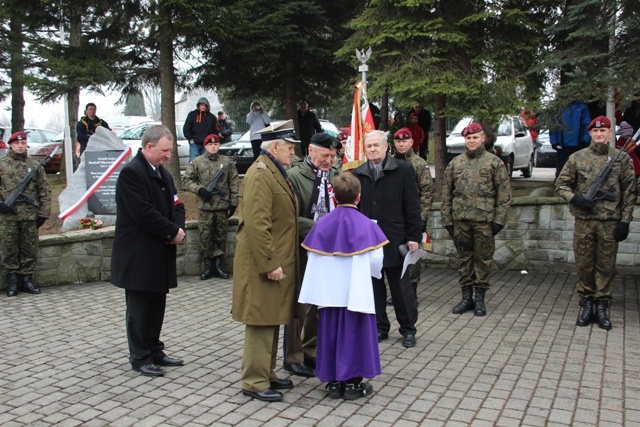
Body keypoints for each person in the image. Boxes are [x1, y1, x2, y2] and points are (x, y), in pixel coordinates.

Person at [298, 173, 387, 401]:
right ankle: (353, 385)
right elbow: (377, 262)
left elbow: (314, 259)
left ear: (334, 197)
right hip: (356, 292)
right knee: (355, 335)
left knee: (329, 334)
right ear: (359, 197)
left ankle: (334, 382)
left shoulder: (321, 225)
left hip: (329, 294)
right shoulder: (367, 225)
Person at [231, 120, 300, 403]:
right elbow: (257, 225)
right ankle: (254, 381)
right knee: (260, 320)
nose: (293, 153)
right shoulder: (260, 174)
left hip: (272, 259)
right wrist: (270, 263)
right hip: (263, 262)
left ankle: (267, 373)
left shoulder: (272, 170)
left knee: (271, 316)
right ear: (274, 146)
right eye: (290, 147)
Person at [111, 125, 186, 377]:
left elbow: (177, 204)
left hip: (159, 253)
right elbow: (143, 213)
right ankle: (140, 356)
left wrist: (178, 228)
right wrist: (170, 232)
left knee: (157, 306)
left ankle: (154, 349)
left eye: (170, 151)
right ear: (149, 146)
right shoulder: (132, 174)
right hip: (139, 255)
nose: (168, 156)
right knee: (140, 309)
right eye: (164, 151)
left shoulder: (163, 174)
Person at [555, 116, 637, 330]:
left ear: (610, 133)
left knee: (606, 265)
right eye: (595, 131)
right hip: (585, 221)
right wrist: (575, 199)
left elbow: (630, 193)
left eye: (604, 131)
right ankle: (587, 304)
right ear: (590, 133)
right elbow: (561, 185)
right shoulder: (577, 158)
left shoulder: (621, 159)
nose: (599, 135)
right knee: (584, 264)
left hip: (610, 222)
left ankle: (602, 306)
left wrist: (625, 222)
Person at [352, 130, 422, 348]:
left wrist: (414, 235)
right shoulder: (358, 173)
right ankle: (380, 327)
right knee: (374, 288)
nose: (372, 149)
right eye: (369, 146)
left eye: (376, 145)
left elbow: (412, 205)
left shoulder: (403, 170)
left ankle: (408, 329)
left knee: (401, 289)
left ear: (386, 147)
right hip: (368, 241)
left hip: (396, 238)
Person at [283, 132, 342, 378]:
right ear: (310, 150)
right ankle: (292, 356)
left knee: (319, 303)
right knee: (299, 303)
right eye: (324, 155)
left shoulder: (336, 176)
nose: (329, 160)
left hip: (329, 249)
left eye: (332, 155)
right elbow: (288, 217)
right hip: (302, 247)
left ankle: (311, 351)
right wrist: (320, 227)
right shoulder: (295, 177)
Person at [441, 122, 512, 317]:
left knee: (483, 260)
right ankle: (466, 298)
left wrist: (499, 220)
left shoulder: (494, 163)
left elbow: (504, 195)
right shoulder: (455, 164)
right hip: (461, 221)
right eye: (468, 138)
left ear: (483, 139)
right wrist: (447, 220)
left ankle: (479, 299)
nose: (471, 141)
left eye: (475, 137)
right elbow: (446, 194)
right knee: (464, 260)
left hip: (484, 221)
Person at [0, 131, 51, 297]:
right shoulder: (2, 164)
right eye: (17, 143)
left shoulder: (34, 166)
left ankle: (27, 279)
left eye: (23, 143)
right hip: (8, 216)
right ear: (11, 144)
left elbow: (44, 190)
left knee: (29, 248)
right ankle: (13, 281)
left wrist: (43, 213)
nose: (20, 146)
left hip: (29, 215)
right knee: (9, 248)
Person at [183, 133, 240, 281]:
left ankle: (219, 266)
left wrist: (234, 202)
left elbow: (234, 183)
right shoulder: (197, 162)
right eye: (210, 144)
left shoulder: (227, 162)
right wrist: (200, 190)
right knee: (205, 237)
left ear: (219, 145)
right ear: (206, 146)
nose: (213, 147)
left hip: (222, 206)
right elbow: (186, 181)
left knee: (221, 236)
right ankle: (208, 266)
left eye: (216, 144)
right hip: (205, 207)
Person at [391, 127, 434, 303]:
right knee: (394, 254)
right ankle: (397, 292)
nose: (401, 144)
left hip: (413, 217)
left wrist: (421, 218)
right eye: (398, 141)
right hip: (394, 217)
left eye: (404, 141)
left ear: (411, 142)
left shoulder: (419, 164)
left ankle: (412, 291)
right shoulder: (390, 162)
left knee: (413, 254)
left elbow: (426, 193)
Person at [550, 101, 591, 178]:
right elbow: (553, 126)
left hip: (578, 146)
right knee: (562, 173)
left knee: (579, 173)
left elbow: (587, 125)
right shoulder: (558, 108)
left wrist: (585, 141)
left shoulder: (581, 107)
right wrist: (554, 141)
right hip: (562, 147)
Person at [183, 97, 218, 163]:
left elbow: (215, 131)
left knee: (206, 162)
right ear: (198, 105)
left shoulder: (211, 117)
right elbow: (186, 128)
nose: (203, 107)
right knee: (193, 162)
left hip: (206, 144)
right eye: (202, 105)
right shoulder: (192, 115)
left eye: (205, 105)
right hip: (194, 143)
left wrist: (211, 141)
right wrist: (190, 139)